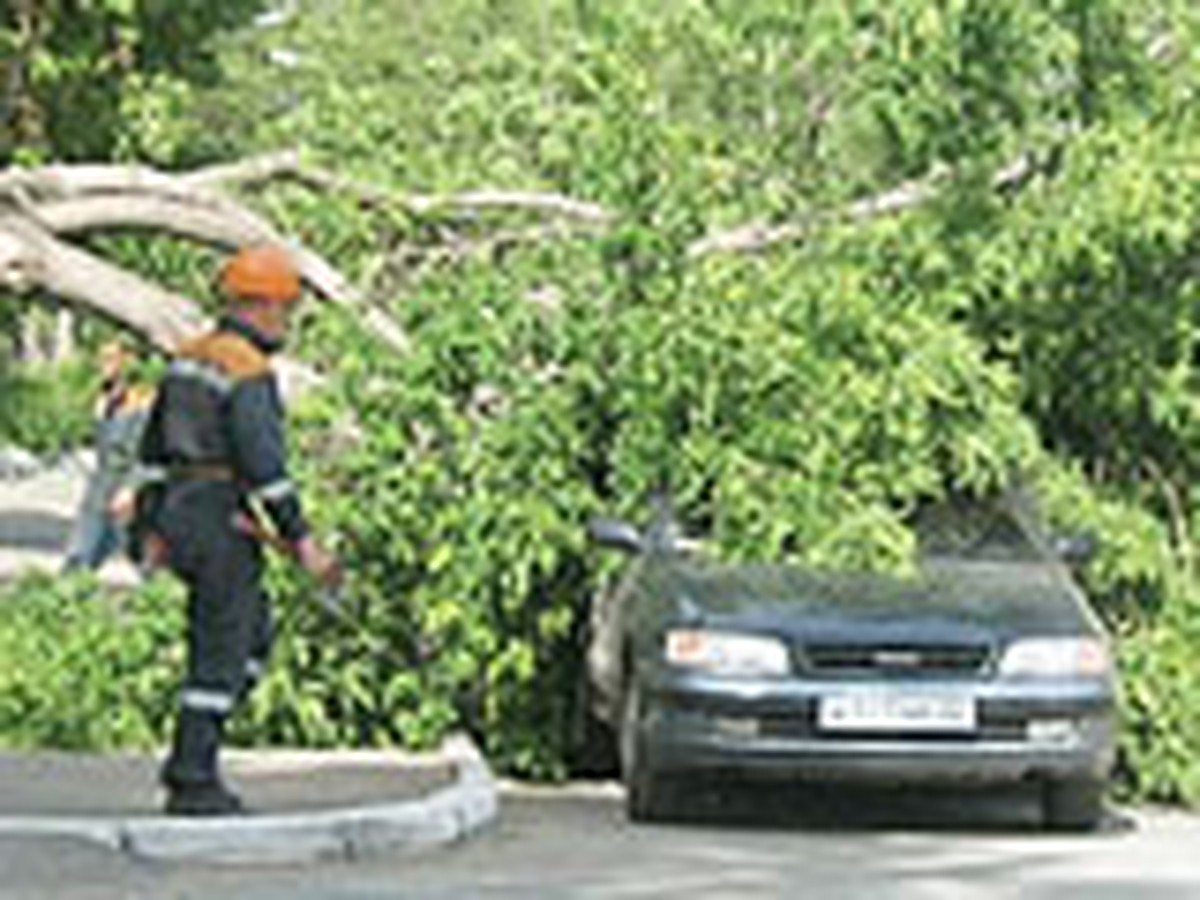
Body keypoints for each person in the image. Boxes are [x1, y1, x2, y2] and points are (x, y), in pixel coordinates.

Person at [137, 244, 340, 815]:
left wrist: (153, 526)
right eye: (286, 310)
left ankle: (192, 752)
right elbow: (266, 469)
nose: (288, 322)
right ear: (260, 306)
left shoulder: (187, 358)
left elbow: (152, 452)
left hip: (187, 511)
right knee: (225, 646)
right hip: (218, 516)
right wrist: (302, 539)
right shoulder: (247, 371)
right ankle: (192, 776)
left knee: (250, 635)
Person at [62, 340, 154, 571]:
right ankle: (69, 595)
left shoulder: (143, 402)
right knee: (80, 554)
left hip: (127, 488)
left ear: (126, 364)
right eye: (102, 360)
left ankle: (167, 600)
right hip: (101, 485)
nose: (104, 366)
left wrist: (131, 489)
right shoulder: (105, 401)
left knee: (146, 562)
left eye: (111, 360)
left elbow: (147, 454)